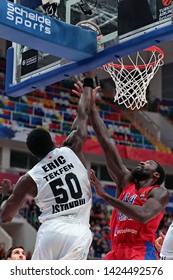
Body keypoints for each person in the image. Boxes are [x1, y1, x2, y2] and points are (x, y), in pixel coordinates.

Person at [0, 73, 95, 260]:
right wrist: (88, 86)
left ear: (33, 154)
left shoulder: (29, 178)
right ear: (52, 141)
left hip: (50, 230)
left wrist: (6, 195)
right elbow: (82, 116)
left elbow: (5, 216)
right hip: (79, 231)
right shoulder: (72, 147)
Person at [72, 79, 169, 260]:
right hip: (115, 250)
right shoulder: (126, 181)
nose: (141, 163)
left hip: (140, 250)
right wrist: (92, 108)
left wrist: (106, 196)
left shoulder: (159, 192)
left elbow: (143, 215)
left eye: (148, 163)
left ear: (156, 174)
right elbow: (106, 142)